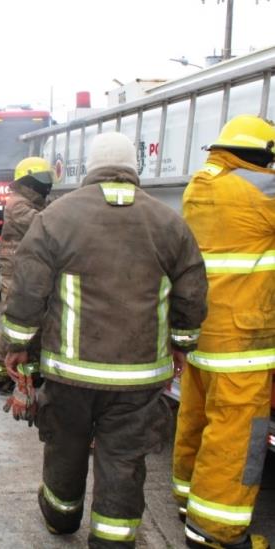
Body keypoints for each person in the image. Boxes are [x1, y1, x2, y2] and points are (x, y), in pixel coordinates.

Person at [2, 132, 208, 548]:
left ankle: (61, 519)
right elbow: (192, 290)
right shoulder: (168, 223)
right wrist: (182, 344)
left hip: (69, 376)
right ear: (135, 168)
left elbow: (28, 290)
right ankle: (113, 540)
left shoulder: (57, 217)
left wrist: (18, 344)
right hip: (138, 379)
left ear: (91, 169)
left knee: (66, 445)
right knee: (124, 459)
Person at [172, 114, 275, 549]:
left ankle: (188, 502)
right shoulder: (260, 190)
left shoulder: (200, 186)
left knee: (197, 419)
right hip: (244, 340)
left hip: (204, 334)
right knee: (236, 433)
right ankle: (215, 531)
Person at [0, 156, 55, 394]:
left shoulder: (37, 203)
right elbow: (42, 226)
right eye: (41, 180)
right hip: (15, 274)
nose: (47, 185)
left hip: (31, 273)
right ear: (29, 181)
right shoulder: (18, 204)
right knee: (12, 326)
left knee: (36, 324)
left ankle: (31, 373)